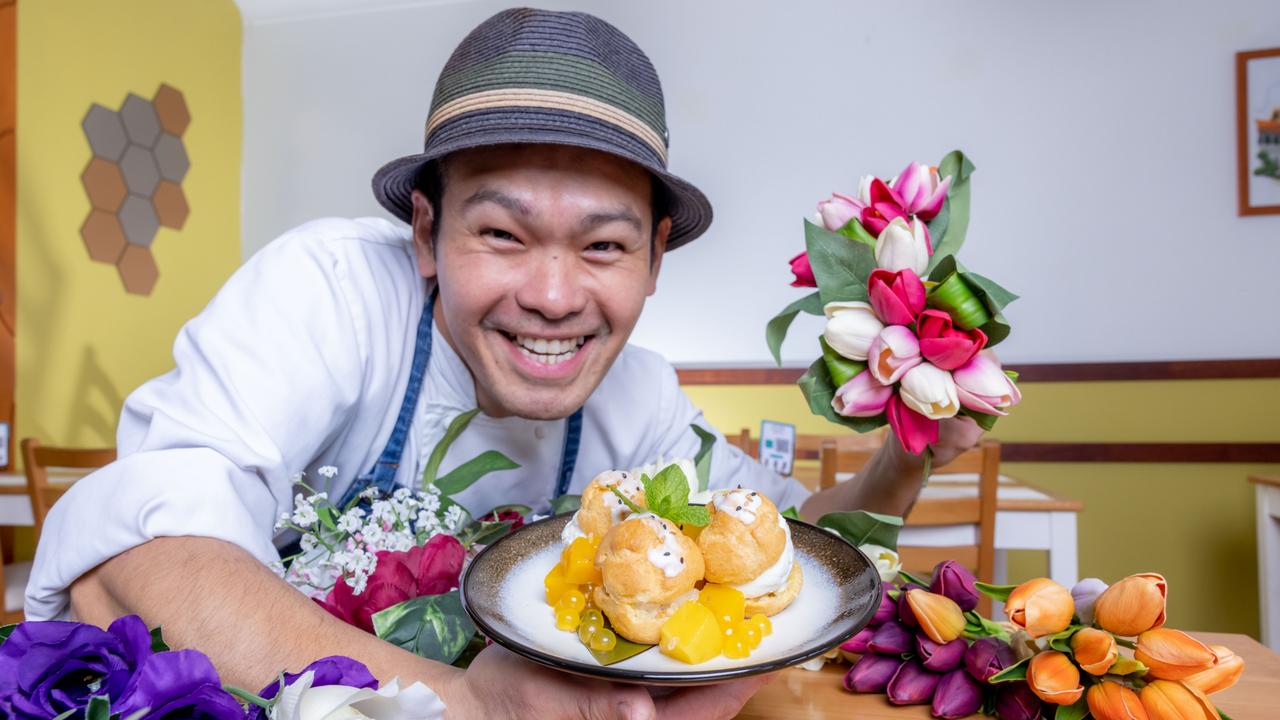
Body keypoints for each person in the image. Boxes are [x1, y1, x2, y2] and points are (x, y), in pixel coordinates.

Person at [27, 8, 981, 719]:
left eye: (604, 247)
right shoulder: (327, 294)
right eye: (502, 233)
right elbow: (131, 565)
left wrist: (906, 457)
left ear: (655, 260)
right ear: (428, 235)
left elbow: (791, 560)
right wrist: (468, 703)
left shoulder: (641, 401)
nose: (555, 297)